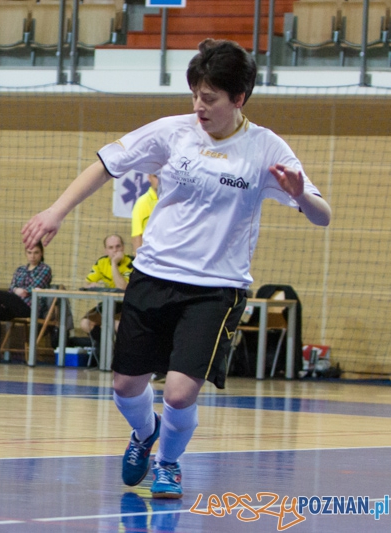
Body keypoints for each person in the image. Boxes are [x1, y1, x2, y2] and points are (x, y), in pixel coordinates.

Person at [22, 39, 331, 499]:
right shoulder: (175, 132)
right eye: (195, 96)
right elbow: (107, 164)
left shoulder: (266, 148)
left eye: (209, 99)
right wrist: (56, 210)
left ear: (239, 98)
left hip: (215, 289)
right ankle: (146, 434)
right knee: (126, 387)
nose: (198, 107)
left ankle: (168, 463)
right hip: (153, 276)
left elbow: (323, 214)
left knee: (182, 393)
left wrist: (301, 194)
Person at [78, 234, 132, 356]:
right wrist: (91, 285)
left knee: (117, 325)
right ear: (106, 250)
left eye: (118, 246)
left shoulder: (131, 262)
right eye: (111, 247)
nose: (115, 250)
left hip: (126, 304)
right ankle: (106, 349)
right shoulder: (101, 262)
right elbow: (87, 283)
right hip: (108, 304)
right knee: (85, 323)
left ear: (123, 247)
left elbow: (123, 288)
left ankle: (121, 353)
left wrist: (114, 264)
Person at [131, 174, 159, 254]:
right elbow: (137, 235)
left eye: (162, 176)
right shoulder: (142, 203)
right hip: (150, 258)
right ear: (149, 177)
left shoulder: (172, 201)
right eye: (156, 176)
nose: (160, 180)